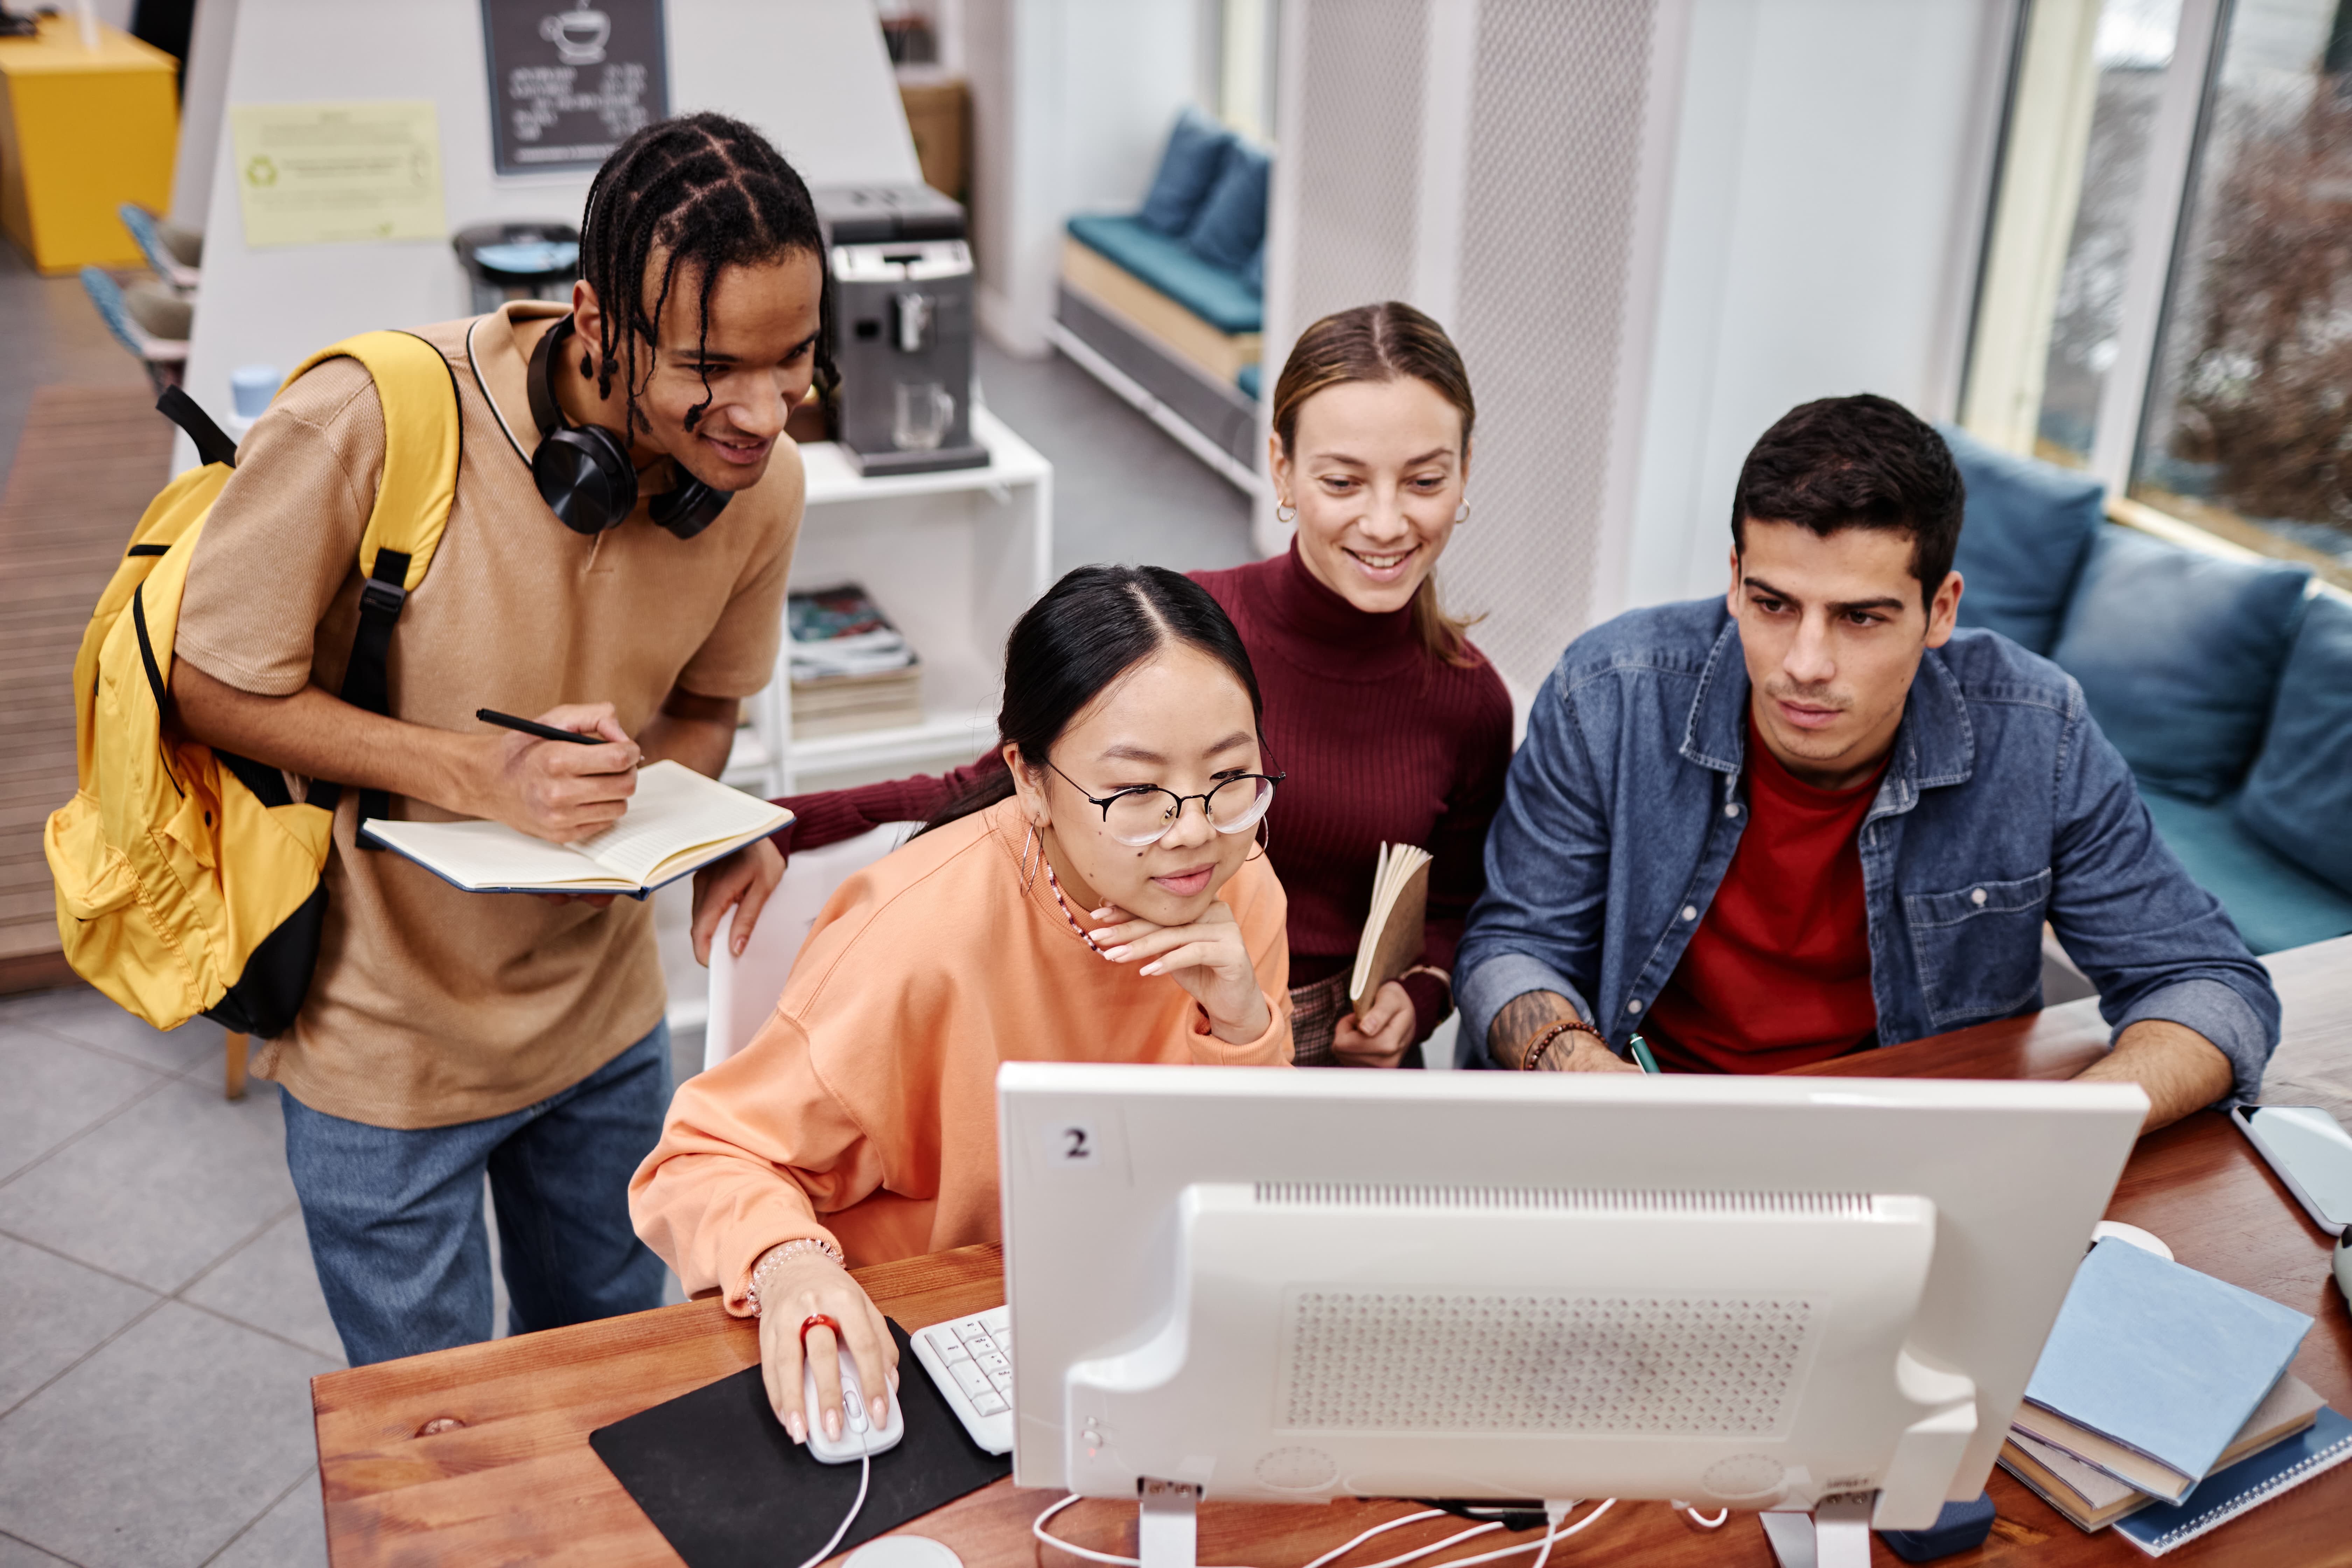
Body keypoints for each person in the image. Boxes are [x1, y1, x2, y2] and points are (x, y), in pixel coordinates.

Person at [168, 113, 818, 1364]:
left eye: (792, 360)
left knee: (615, 1389)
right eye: (710, 368)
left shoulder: (758, 489)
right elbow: (208, 683)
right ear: (593, 323)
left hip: (603, 1029)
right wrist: (476, 773)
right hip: (381, 1043)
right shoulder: (366, 418)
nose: (761, 413)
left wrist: (680, 818)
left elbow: (705, 713)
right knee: (441, 1443)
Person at [1456, 394, 2278, 1131]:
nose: (1805, 663)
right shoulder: (1609, 693)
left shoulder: (2037, 730)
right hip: (1646, 1133)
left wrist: (2064, 1132)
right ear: (1736, 579)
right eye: (1775, 604)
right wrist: (1577, 1064)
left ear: (1940, 610)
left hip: (1898, 1155)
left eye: (1860, 618)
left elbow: (2210, 984)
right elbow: (1511, 943)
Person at [629, 565, 1293, 1447]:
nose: (1192, 831)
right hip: (924, 1338)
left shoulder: (1241, 886)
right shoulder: (914, 932)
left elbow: (1242, 1196)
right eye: (1135, 792)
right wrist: (789, 1265)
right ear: (1027, 776)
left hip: (1128, 1318)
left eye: (1230, 776)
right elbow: (700, 1158)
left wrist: (1244, 1029)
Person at [776, 302, 1512, 1067]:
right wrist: (776, 826)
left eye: (1425, 478)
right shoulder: (1192, 637)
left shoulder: (1471, 699)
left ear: (1463, 473)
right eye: (1344, 481)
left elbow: (1458, 907)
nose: (1387, 521)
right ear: (1284, 468)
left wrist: (1418, 996)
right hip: (1167, 1025)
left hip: (1352, 1056)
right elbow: (1001, 786)